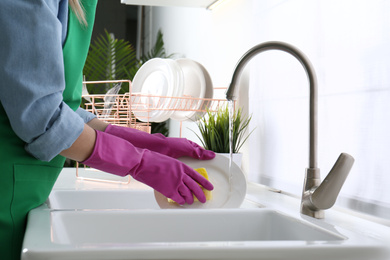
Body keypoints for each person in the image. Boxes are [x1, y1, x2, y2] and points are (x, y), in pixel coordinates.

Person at [0, 1, 215, 259]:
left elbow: (61, 111)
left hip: (20, 192)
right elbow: (42, 117)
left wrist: (153, 144)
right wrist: (139, 162)